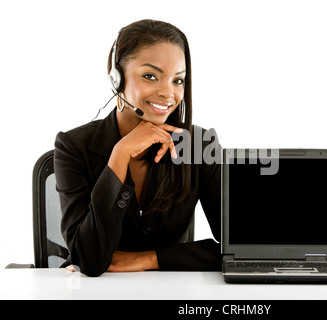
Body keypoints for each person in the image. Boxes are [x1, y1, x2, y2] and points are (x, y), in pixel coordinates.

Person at [54, 19, 221, 277]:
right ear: (117, 78)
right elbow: (87, 259)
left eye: (178, 81)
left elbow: (243, 249)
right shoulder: (74, 147)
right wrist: (119, 156)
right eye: (150, 76)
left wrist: (150, 259)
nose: (168, 93)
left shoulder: (198, 145)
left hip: (171, 294)